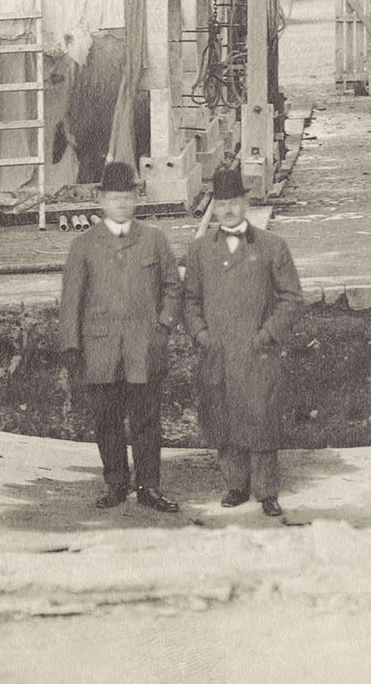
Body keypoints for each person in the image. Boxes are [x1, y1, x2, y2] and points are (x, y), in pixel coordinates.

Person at [58, 160, 183, 512]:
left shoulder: (155, 240)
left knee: (146, 422)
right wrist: (71, 345)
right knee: (107, 421)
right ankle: (116, 484)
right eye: (115, 198)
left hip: (144, 348)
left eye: (128, 197)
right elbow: (71, 301)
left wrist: (163, 327)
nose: (122, 205)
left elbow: (173, 287)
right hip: (100, 350)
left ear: (136, 199)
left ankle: (149, 488)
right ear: (101, 200)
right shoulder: (84, 246)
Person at [180, 166, 305, 518]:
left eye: (235, 202)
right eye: (222, 204)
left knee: (261, 416)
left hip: (257, 351)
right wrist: (201, 335)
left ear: (246, 203)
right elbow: (189, 300)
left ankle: (266, 490)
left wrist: (267, 335)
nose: (229, 210)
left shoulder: (271, 247)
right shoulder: (200, 250)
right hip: (217, 351)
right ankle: (235, 485)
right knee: (223, 414)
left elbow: (292, 298)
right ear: (214, 209)